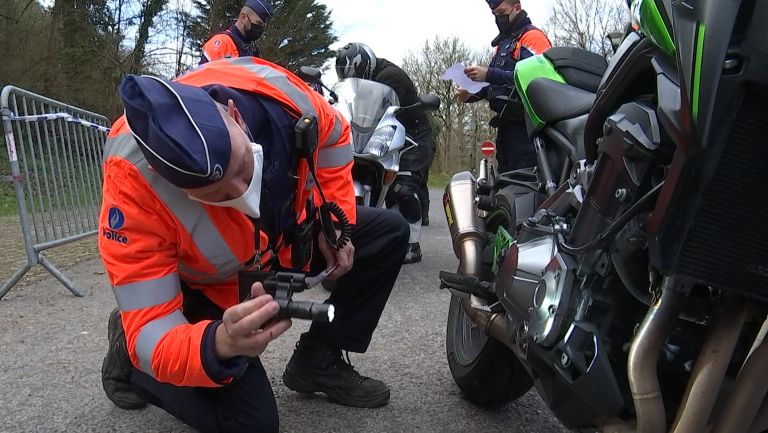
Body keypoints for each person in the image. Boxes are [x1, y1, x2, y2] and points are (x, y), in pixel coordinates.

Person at [99, 56, 410, 432]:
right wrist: (221, 342)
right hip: (208, 289)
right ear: (162, 174)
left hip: (282, 239)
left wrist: (332, 222)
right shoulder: (132, 182)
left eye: (243, 166)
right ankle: (129, 360)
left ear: (234, 114)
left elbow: (335, 136)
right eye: (215, 194)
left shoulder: (282, 91)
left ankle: (318, 360)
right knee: (251, 424)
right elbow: (153, 327)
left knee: (389, 231)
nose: (243, 191)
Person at [335, 42, 436, 264]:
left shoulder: (391, 76)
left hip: (414, 135)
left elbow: (383, 107)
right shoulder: (364, 83)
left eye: (355, 75)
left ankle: (412, 245)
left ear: (365, 67)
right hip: (384, 132)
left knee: (403, 188)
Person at [458, 0, 551, 173]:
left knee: (525, 181)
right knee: (506, 181)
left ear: (517, 8)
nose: (498, 18)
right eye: (494, 14)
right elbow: (496, 85)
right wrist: (470, 94)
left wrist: (488, 74)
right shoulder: (505, 43)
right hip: (506, 125)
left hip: (528, 128)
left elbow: (537, 80)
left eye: (501, 12)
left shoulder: (532, 37)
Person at [199, 0, 273, 64]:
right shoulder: (223, 43)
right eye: (258, 23)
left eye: (262, 26)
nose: (260, 28)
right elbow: (204, 77)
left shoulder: (249, 49)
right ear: (243, 18)